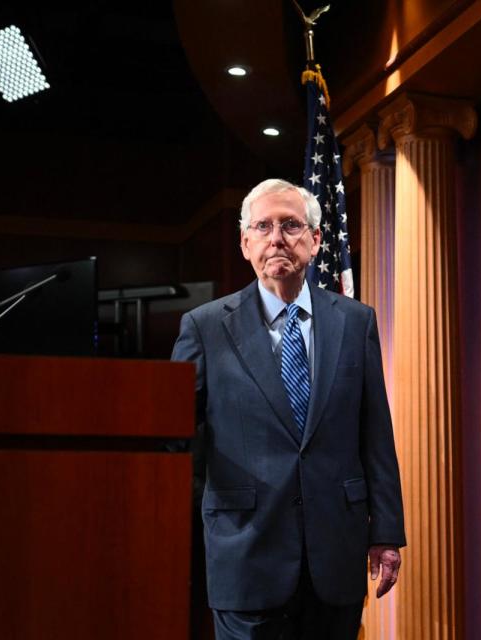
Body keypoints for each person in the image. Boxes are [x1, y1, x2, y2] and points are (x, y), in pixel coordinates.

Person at [171, 178, 405, 639]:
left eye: (291, 225)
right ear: (245, 243)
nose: (276, 238)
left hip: (335, 557)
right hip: (246, 555)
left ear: (316, 241)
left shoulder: (355, 321)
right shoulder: (203, 328)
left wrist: (387, 532)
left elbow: (374, 432)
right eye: (263, 226)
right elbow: (173, 434)